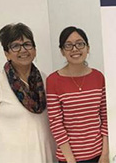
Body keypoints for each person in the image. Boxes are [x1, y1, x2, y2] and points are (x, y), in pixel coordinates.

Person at [0, 22, 56, 163]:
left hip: (43, 153)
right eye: (15, 46)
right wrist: (4, 143)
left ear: (35, 50)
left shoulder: (44, 79)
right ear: (7, 53)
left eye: (27, 44)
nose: (23, 50)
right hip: (12, 157)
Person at [46, 26, 109, 163]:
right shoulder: (53, 81)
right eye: (68, 45)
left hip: (98, 156)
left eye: (80, 44)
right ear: (62, 51)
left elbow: (105, 117)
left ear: (88, 48)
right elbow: (56, 123)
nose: (75, 49)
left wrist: (105, 154)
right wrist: (70, 159)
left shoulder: (98, 77)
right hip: (68, 158)